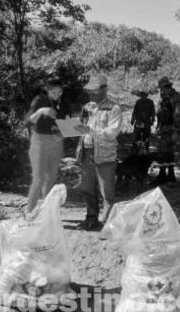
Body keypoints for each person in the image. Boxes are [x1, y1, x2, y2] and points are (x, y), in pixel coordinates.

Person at [74, 74, 123, 230]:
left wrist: (90, 130)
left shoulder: (113, 108)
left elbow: (112, 132)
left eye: (94, 90)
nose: (90, 94)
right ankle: (91, 219)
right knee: (86, 188)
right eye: (89, 90)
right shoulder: (88, 107)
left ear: (104, 90)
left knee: (106, 192)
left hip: (105, 155)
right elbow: (82, 127)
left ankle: (108, 225)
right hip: (86, 153)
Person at [24, 77, 70, 213]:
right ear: (47, 90)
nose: (57, 95)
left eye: (60, 92)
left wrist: (64, 133)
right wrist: (41, 111)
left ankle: (46, 212)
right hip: (39, 142)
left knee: (51, 178)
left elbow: (67, 125)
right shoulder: (40, 100)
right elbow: (27, 122)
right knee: (38, 179)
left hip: (56, 143)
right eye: (54, 93)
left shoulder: (65, 103)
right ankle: (29, 211)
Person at [155, 76, 180, 184]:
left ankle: (171, 175)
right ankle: (162, 174)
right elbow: (158, 112)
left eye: (163, 87)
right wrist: (158, 126)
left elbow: (178, 114)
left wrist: (176, 130)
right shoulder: (162, 97)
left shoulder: (177, 97)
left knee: (170, 152)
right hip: (164, 128)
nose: (162, 90)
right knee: (162, 152)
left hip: (172, 129)